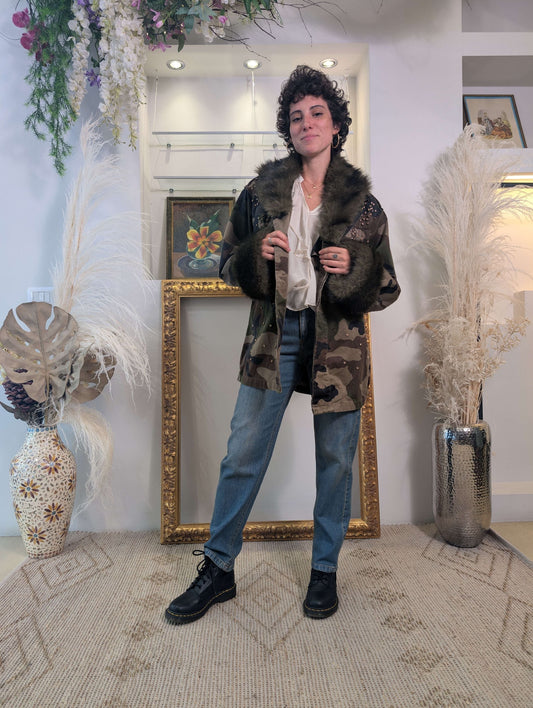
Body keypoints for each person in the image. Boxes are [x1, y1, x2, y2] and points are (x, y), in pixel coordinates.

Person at [165, 65, 400, 625]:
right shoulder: (258, 194)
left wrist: (355, 266)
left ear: (336, 125)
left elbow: (388, 287)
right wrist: (255, 255)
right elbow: (226, 265)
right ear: (287, 129)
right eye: (296, 116)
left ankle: (324, 570)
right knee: (242, 454)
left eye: (317, 113)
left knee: (336, 460)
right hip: (273, 338)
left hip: (338, 348)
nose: (306, 123)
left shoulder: (365, 206)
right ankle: (218, 568)